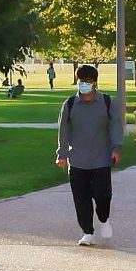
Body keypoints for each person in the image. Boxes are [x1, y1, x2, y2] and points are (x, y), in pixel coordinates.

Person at [55, 65, 123, 247]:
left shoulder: (107, 102)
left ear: (95, 83)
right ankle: (87, 231)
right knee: (81, 197)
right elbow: (63, 131)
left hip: (101, 157)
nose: (83, 84)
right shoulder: (69, 104)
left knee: (103, 195)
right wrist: (62, 154)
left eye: (87, 81)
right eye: (81, 81)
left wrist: (116, 148)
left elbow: (115, 126)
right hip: (77, 159)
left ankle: (103, 218)